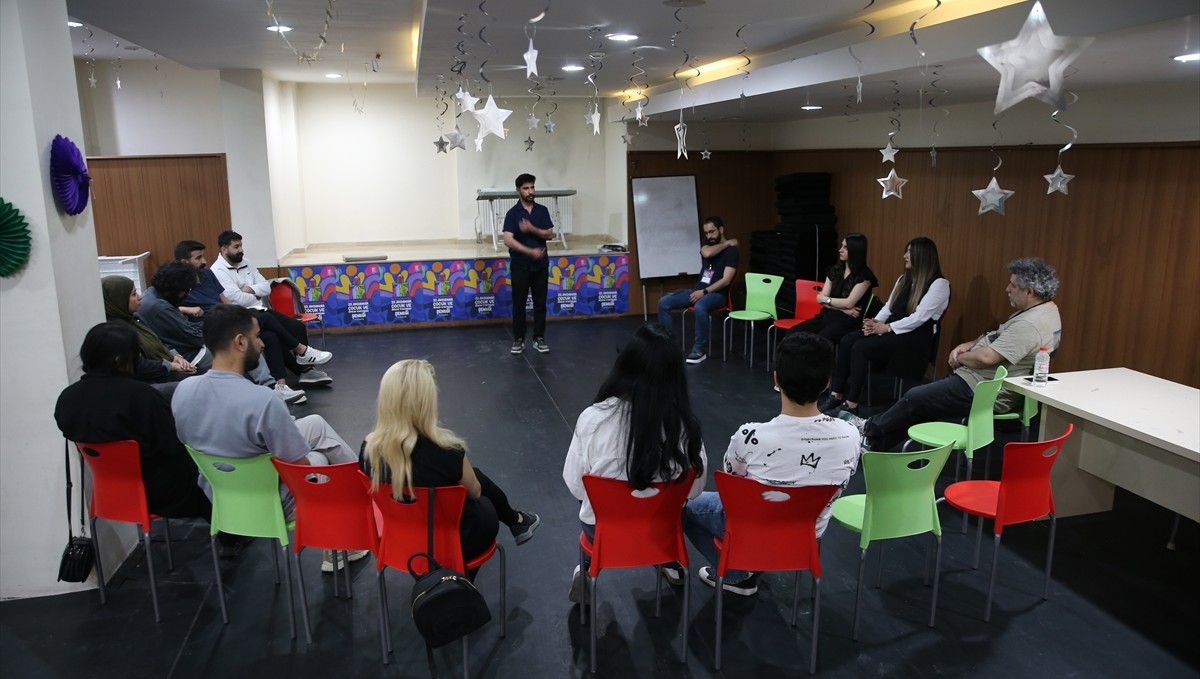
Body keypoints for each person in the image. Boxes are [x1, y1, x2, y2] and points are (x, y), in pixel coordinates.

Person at [172, 304, 364, 571]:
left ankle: (361, 491)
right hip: (269, 500)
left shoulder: (183, 391)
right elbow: (300, 467)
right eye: (257, 336)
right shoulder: (263, 400)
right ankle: (348, 530)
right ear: (240, 342)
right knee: (319, 459)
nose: (262, 344)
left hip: (220, 496)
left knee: (315, 424)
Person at [681, 332, 861, 596]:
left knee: (683, 505)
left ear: (776, 379)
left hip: (754, 528)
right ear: (826, 383)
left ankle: (736, 574)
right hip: (809, 532)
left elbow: (732, 477)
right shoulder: (850, 434)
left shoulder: (750, 435)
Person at [845, 258, 1063, 451]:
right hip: (978, 380)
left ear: (1029, 292)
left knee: (916, 396)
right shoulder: (1043, 310)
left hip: (982, 389)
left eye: (1012, 285)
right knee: (924, 405)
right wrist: (969, 345)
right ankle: (873, 443)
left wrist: (959, 358)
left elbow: (986, 358)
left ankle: (868, 428)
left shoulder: (1030, 324)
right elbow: (996, 336)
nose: (1007, 289)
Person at [562, 323, 707, 602]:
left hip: (603, 532)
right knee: (672, 508)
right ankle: (670, 562)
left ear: (625, 366)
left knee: (595, 512)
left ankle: (588, 567)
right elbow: (695, 489)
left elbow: (576, 486)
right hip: (663, 530)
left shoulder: (594, 419)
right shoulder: (686, 427)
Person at [361, 359, 540, 574]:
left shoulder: (368, 448)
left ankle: (516, 521)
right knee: (481, 495)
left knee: (471, 477)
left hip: (401, 537)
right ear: (426, 402)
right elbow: (475, 492)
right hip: (454, 540)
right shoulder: (446, 450)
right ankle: (511, 525)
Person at [54, 322, 212, 522]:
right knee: (211, 476)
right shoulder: (141, 396)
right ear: (119, 358)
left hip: (108, 491)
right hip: (159, 493)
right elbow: (172, 444)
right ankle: (229, 533)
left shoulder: (67, 398)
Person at [178, 238, 327, 402]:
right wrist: (187, 309)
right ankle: (301, 353)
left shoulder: (207, 273)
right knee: (267, 319)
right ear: (185, 262)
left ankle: (280, 386)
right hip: (211, 325)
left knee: (271, 335)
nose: (204, 261)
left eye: (203, 256)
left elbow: (229, 299)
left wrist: (236, 311)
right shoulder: (181, 281)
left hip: (228, 316)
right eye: (198, 258)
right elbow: (165, 306)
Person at [824, 237, 950, 416]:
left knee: (860, 348)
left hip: (915, 337)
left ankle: (852, 404)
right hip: (892, 328)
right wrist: (873, 323)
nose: (905, 256)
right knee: (847, 340)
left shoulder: (940, 285)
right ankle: (836, 394)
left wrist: (886, 328)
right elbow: (889, 307)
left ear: (922, 256)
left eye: (909, 252)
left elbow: (919, 318)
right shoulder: (904, 279)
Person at [210, 230, 334, 388]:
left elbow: (266, 287)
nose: (241, 250)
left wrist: (248, 290)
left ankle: (302, 372)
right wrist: (256, 295)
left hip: (259, 310)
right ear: (224, 249)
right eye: (236, 247)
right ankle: (300, 358)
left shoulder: (247, 263)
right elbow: (236, 299)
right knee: (271, 330)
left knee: (293, 328)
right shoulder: (218, 270)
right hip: (240, 316)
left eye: (241, 245)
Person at [656, 216, 739, 364]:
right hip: (697, 291)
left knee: (700, 306)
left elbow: (726, 280)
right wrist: (727, 242)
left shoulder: (732, 252)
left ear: (721, 229)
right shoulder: (709, 244)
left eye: (712, 232)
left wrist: (705, 292)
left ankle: (699, 350)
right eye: (706, 233)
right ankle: (667, 344)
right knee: (664, 302)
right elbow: (707, 253)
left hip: (716, 294)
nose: (709, 236)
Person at [101, 275, 196, 396]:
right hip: (143, 383)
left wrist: (175, 356)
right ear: (119, 300)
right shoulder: (115, 332)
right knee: (192, 387)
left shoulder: (134, 320)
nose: (140, 297)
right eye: (134, 294)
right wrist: (171, 366)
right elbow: (138, 366)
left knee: (197, 379)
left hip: (161, 370)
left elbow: (157, 341)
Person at [787, 233, 877, 343]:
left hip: (846, 321)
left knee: (818, 342)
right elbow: (820, 299)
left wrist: (827, 300)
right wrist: (843, 309)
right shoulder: (835, 270)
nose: (840, 250)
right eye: (841, 246)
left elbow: (848, 303)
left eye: (845, 247)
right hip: (826, 316)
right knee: (792, 333)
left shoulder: (865, 276)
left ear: (855, 250)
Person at [502, 173, 555, 355]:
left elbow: (549, 234)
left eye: (532, 187)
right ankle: (519, 339)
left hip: (540, 266)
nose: (530, 191)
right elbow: (508, 240)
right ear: (518, 190)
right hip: (520, 266)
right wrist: (529, 251)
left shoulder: (542, 210)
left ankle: (539, 338)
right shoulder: (512, 214)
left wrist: (532, 228)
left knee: (540, 304)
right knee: (519, 304)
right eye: (526, 188)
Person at [136, 261, 213, 371]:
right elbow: (195, 338)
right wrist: (215, 324)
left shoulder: (152, 292)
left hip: (177, 348)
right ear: (177, 290)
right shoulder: (160, 308)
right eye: (187, 290)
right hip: (187, 355)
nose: (188, 294)